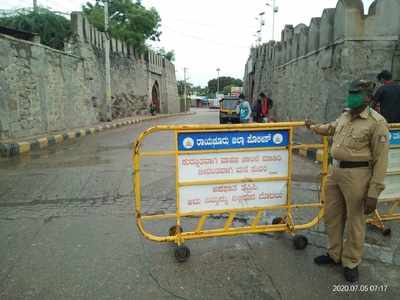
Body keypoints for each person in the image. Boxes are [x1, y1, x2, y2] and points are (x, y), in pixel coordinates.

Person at [305, 80, 389, 283]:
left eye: (356, 93)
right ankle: (334, 254)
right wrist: (314, 127)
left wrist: (373, 193)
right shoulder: (345, 115)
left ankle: (351, 261)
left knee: (355, 221)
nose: (351, 95)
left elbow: (381, 160)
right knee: (332, 215)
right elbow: (332, 128)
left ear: (368, 97)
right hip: (336, 172)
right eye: (350, 92)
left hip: (358, 176)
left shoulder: (377, 122)